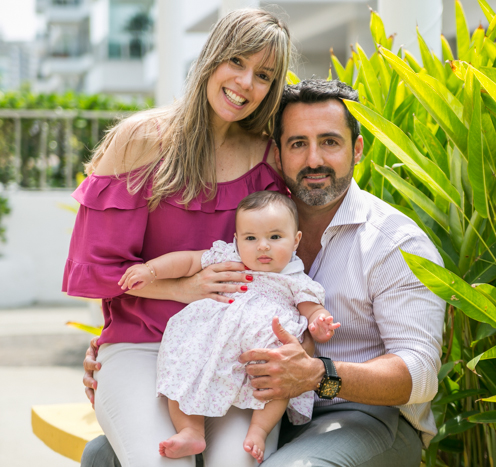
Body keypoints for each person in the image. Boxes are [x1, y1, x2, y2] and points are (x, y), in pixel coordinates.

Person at [82, 79, 446, 466]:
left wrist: (317, 375)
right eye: (297, 144)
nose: (313, 160)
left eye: (330, 142)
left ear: (357, 149)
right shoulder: (252, 227)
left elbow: (420, 373)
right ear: (278, 153)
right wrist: (125, 361)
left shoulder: (395, 243)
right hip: (259, 405)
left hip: (361, 416)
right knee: (104, 455)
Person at [63, 9, 293, 467]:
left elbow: (282, 269)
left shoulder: (269, 158)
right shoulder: (142, 139)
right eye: (236, 61)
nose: (246, 82)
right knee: (164, 463)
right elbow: (96, 269)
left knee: (238, 463)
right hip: (140, 346)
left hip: (228, 355)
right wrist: (182, 289)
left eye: (264, 75)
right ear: (211, 59)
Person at [118, 191, 340, 463]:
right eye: (250, 238)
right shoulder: (227, 256)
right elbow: (188, 261)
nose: (262, 246)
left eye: (274, 237)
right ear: (236, 240)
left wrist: (320, 323)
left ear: (295, 241)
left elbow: (311, 309)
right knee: (183, 364)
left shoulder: (296, 279)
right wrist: (150, 271)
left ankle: (258, 430)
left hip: (262, 351)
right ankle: (190, 430)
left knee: (278, 381)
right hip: (211, 340)